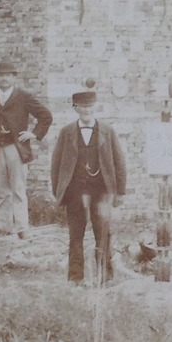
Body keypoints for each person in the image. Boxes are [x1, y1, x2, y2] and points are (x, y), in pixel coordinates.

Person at [50, 87, 126, 285]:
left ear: (95, 107)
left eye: (90, 107)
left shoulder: (107, 132)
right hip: (75, 190)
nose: (86, 111)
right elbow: (56, 164)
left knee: (103, 232)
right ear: (75, 108)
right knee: (76, 234)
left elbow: (119, 162)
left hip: (101, 190)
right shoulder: (66, 132)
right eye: (82, 107)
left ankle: (105, 276)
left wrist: (120, 191)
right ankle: (76, 277)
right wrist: (58, 191)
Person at [0, 58, 51, 239]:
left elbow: (45, 116)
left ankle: (22, 227)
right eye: (1, 75)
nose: (4, 79)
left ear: (13, 78)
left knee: (18, 189)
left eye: (7, 75)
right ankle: (3, 227)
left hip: (16, 149)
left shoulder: (23, 97)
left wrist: (34, 134)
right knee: (1, 190)